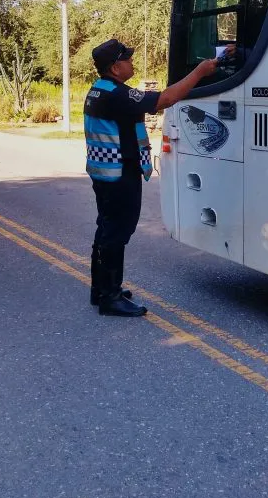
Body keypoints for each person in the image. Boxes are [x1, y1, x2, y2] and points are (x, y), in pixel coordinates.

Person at [84, 39, 219, 317]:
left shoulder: (100, 90)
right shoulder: (116, 94)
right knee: (116, 232)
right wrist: (199, 72)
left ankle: (101, 289)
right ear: (114, 67)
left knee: (106, 228)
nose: (132, 63)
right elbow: (165, 99)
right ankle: (109, 297)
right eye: (127, 60)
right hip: (119, 173)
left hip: (105, 172)